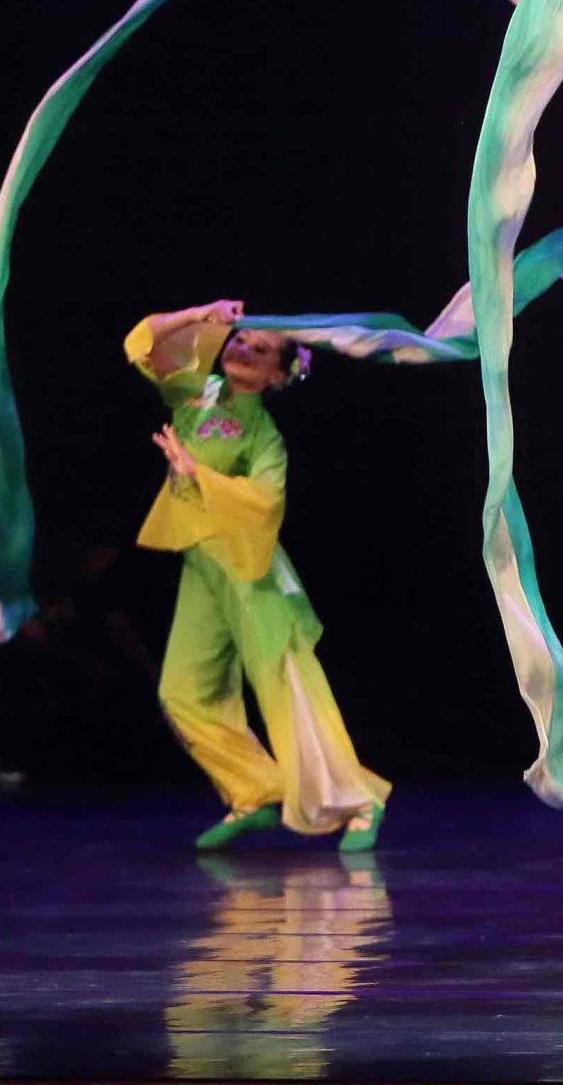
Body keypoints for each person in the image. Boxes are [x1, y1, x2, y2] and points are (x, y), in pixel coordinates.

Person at [130, 300, 388, 851]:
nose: (243, 349)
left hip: (251, 570)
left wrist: (199, 474)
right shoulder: (197, 393)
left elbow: (267, 501)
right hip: (202, 563)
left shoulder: (263, 434)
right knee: (183, 691)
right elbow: (143, 344)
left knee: (287, 688)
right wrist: (201, 313)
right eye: (243, 340)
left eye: (261, 350)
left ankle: (361, 799)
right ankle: (254, 790)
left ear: (276, 376)